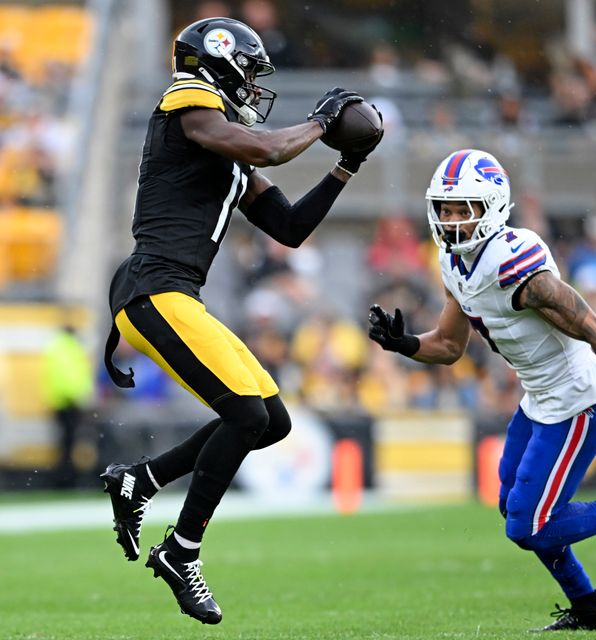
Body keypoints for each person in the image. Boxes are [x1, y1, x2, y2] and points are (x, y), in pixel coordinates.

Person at [100, 17, 381, 625]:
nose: (252, 85)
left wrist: (346, 166)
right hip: (154, 288)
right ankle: (182, 551)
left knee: (270, 420)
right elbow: (271, 147)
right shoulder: (188, 100)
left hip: (175, 292)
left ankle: (141, 481)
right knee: (246, 413)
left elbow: (290, 228)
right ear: (218, 65)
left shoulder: (224, 149)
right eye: (249, 72)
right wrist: (320, 123)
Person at [367, 149, 596, 632]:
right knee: (514, 507)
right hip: (539, 397)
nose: (453, 221)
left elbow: (594, 327)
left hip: (578, 400)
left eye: (465, 209)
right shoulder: (452, 262)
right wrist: (403, 344)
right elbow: (448, 345)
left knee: (529, 525)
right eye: (446, 209)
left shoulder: (514, 265)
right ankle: (588, 609)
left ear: (494, 207)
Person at [41, 324, 94, 488]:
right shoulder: (68, 348)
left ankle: (64, 477)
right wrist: (79, 397)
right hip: (69, 402)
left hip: (60, 402)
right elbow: (70, 377)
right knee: (69, 442)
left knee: (65, 442)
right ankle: (67, 478)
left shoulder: (56, 347)